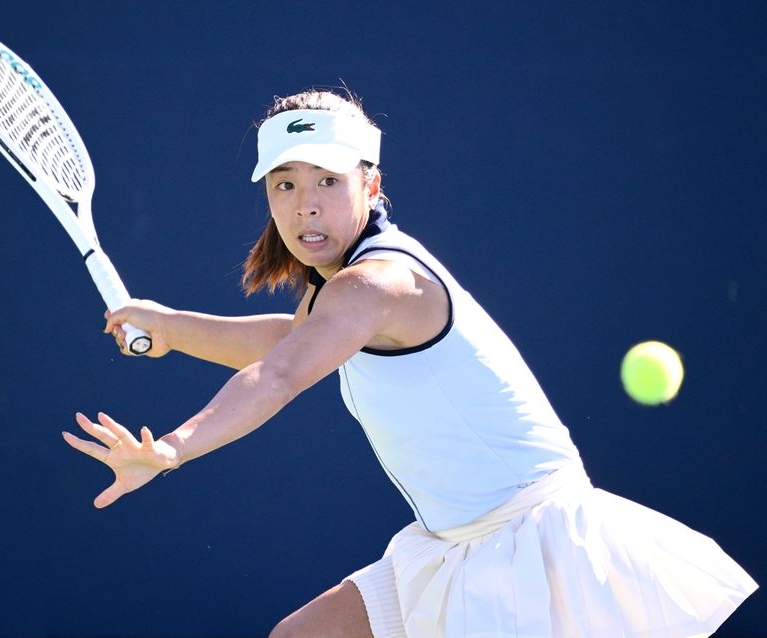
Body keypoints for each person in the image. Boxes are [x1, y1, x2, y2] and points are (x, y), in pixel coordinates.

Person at [63, 89, 757, 638]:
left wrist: (173, 450)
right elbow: (291, 341)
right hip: (453, 544)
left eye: (327, 180)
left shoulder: (376, 284)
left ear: (371, 185)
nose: (305, 205)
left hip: (528, 547)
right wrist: (173, 328)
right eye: (284, 185)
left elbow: (280, 374)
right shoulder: (341, 292)